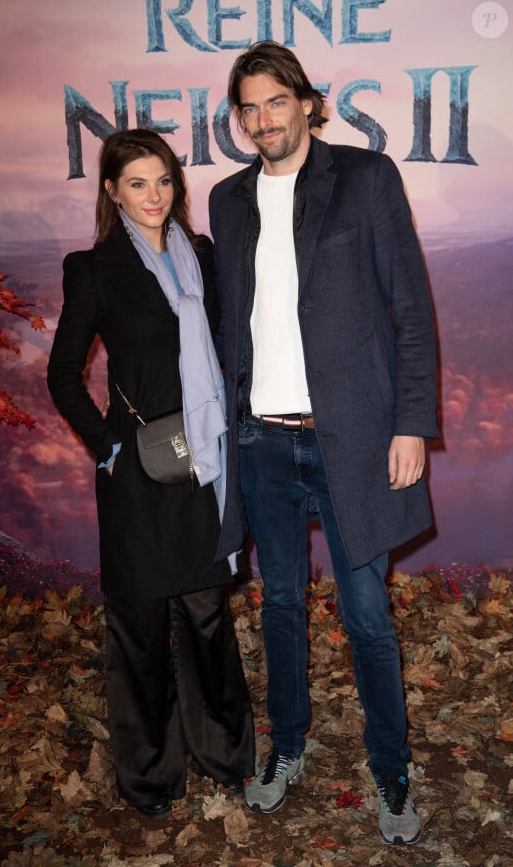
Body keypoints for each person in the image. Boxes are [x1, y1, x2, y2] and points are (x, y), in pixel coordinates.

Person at [209, 42, 439, 845]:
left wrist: (412, 422)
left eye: (277, 101)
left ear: (309, 102)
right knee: (279, 607)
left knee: (368, 614)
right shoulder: (226, 200)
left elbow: (409, 310)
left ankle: (392, 768)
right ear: (237, 119)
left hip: (352, 440)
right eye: (249, 107)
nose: (263, 119)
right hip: (262, 444)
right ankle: (289, 748)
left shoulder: (367, 180)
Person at [47, 129, 254, 820]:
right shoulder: (95, 268)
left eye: (163, 180)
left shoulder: (202, 255)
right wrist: (109, 447)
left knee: (203, 613)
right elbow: (63, 375)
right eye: (137, 183)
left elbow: (230, 348)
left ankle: (225, 756)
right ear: (111, 190)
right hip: (137, 471)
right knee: (138, 624)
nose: (154, 195)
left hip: (203, 461)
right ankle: (150, 777)